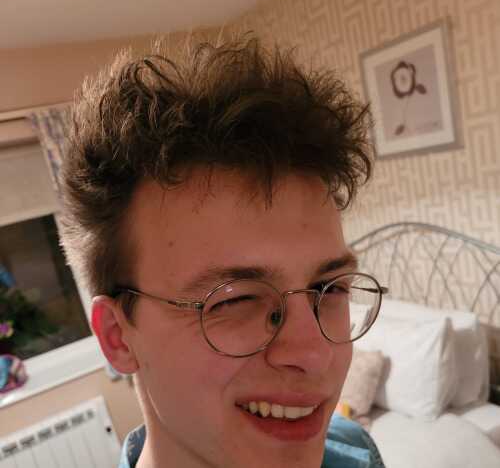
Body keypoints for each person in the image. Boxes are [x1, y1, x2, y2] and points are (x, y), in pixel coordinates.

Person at [59, 34, 386, 468]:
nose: (315, 355)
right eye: (235, 300)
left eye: (330, 288)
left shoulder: (356, 449)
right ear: (118, 337)